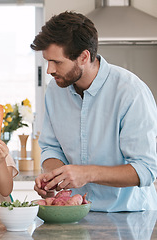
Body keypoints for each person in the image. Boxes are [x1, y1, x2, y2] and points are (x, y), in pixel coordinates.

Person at [31, 11, 157, 212]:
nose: (49, 70)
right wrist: (56, 178)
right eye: (47, 61)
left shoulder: (131, 92)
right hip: (73, 214)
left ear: (83, 57)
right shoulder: (55, 91)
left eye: (57, 62)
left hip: (128, 216)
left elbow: (145, 170)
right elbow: (51, 149)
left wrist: (87, 174)